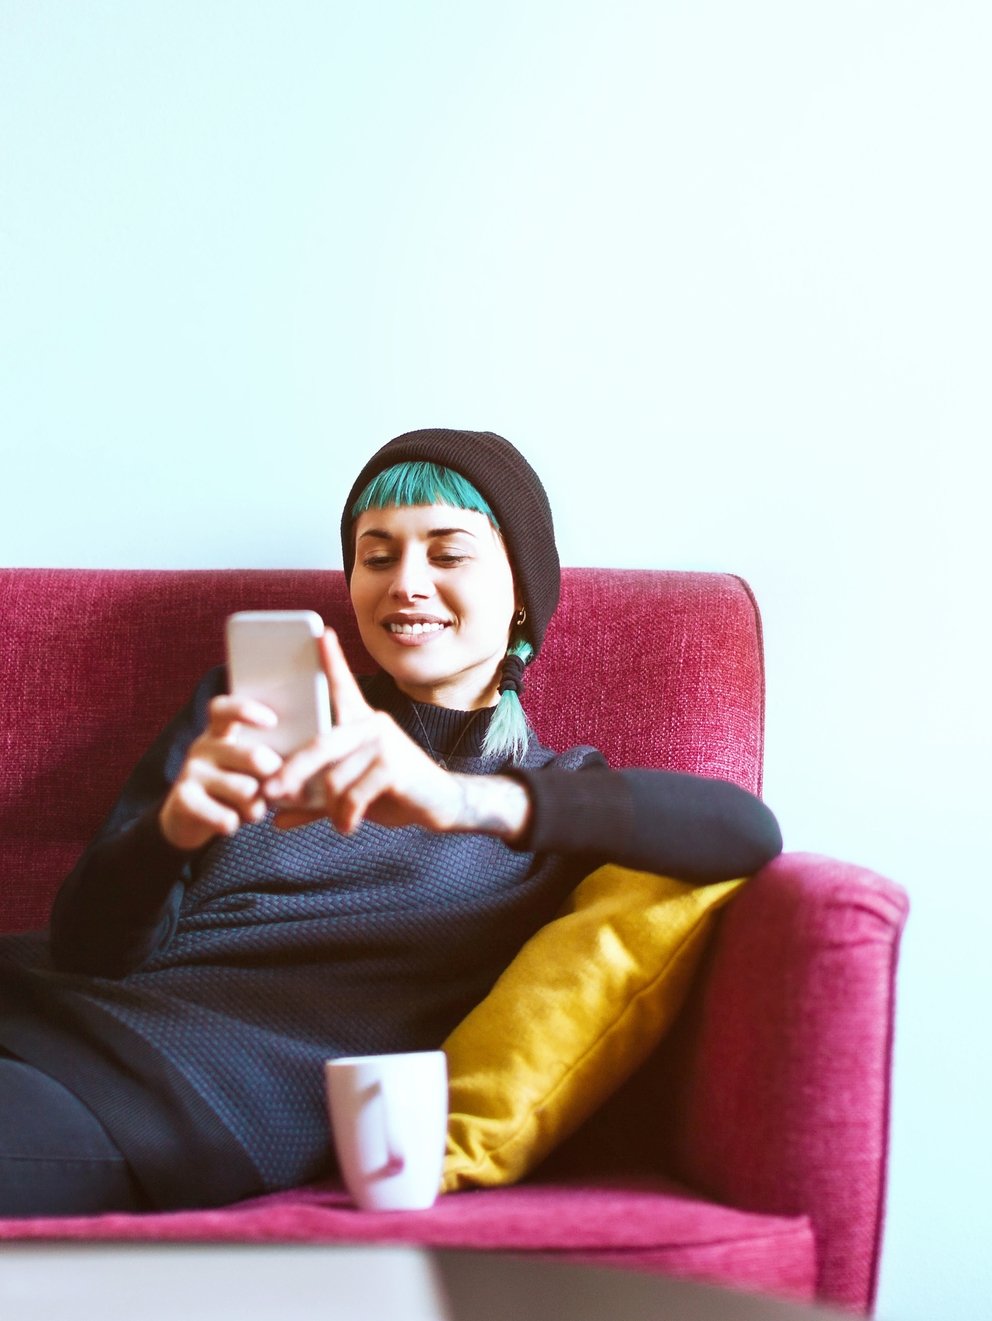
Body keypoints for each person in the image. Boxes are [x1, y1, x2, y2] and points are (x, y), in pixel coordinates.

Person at [0, 428, 782, 1218]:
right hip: (37, 1008)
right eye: (377, 557)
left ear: (521, 592)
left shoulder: (558, 801)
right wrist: (169, 833)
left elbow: (746, 830)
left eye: (447, 554)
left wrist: (462, 800)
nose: (405, 584)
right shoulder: (255, 708)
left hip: (169, 1095)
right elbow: (90, 948)